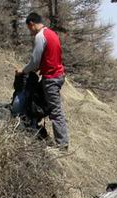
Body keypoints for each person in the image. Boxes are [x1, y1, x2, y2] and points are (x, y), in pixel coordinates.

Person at [16, 12, 69, 150]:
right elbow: (51, 57)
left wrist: (23, 71)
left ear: (32, 24)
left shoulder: (40, 36)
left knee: (55, 111)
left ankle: (62, 145)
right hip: (56, 75)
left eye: (29, 29)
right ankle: (33, 126)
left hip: (51, 78)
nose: (30, 32)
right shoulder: (51, 34)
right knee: (38, 100)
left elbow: (35, 61)